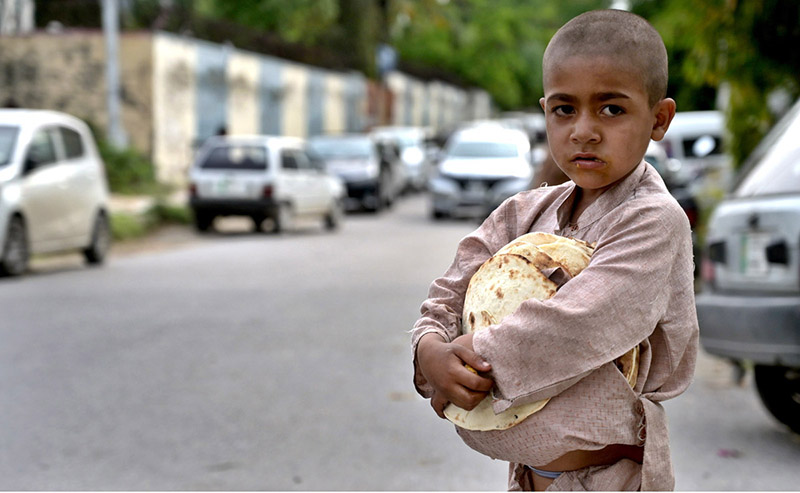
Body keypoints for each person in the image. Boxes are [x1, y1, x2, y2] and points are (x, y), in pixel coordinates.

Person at [410, 9, 698, 491]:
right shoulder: (523, 212)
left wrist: (475, 356)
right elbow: (452, 287)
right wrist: (429, 351)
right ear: (545, 111)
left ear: (658, 119)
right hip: (530, 478)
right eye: (565, 109)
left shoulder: (652, 220)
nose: (583, 130)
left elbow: (581, 322)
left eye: (611, 109)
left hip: (609, 480)